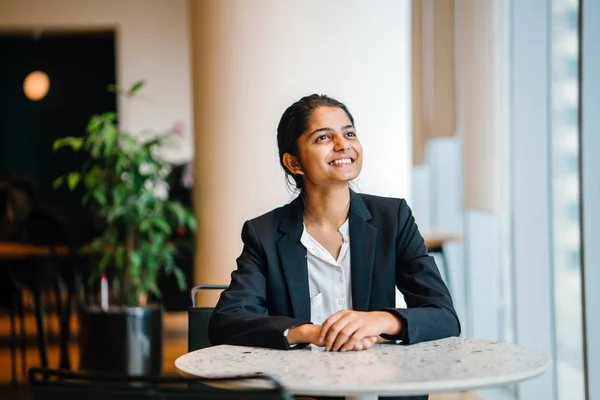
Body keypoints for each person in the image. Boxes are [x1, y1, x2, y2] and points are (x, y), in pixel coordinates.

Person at [208, 94, 460, 400]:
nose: (343, 145)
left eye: (349, 133)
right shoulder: (264, 233)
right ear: (294, 162)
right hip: (304, 393)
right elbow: (227, 321)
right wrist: (310, 332)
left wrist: (379, 320)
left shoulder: (393, 218)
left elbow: (444, 316)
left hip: (381, 391)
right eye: (324, 137)